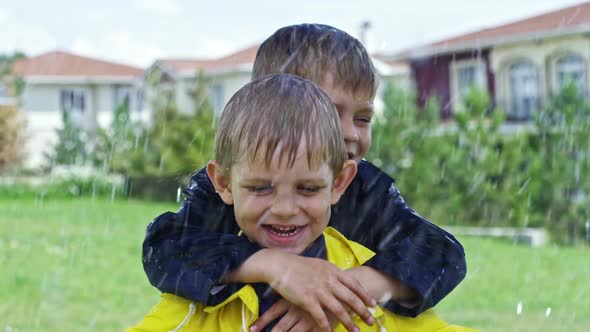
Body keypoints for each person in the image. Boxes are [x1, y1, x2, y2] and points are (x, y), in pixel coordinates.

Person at [142, 24, 466, 332]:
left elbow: (441, 254)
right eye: (330, 110)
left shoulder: (362, 186)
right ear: (274, 101)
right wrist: (274, 266)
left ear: (338, 183)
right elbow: (166, 248)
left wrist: (339, 292)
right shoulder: (233, 186)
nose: (352, 133)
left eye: (363, 117)